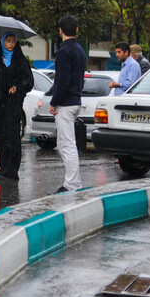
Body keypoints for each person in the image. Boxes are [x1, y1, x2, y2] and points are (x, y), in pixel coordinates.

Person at [0, 32, 33, 181]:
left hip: (13, 105)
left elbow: (28, 82)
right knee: (0, 136)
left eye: (13, 41)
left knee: (12, 137)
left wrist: (17, 87)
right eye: (8, 41)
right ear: (2, 42)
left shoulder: (20, 61)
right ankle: (3, 167)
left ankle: (12, 170)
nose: (11, 44)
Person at [49, 16, 86, 193]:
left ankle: (72, 184)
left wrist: (54, 101)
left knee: (67, 144)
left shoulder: (64, 52)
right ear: (77, 30)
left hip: (65, 103)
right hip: (75, 100)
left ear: (60, 30)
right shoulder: (79, 50)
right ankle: (74, 182)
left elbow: (62, 81)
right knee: (67, 143)